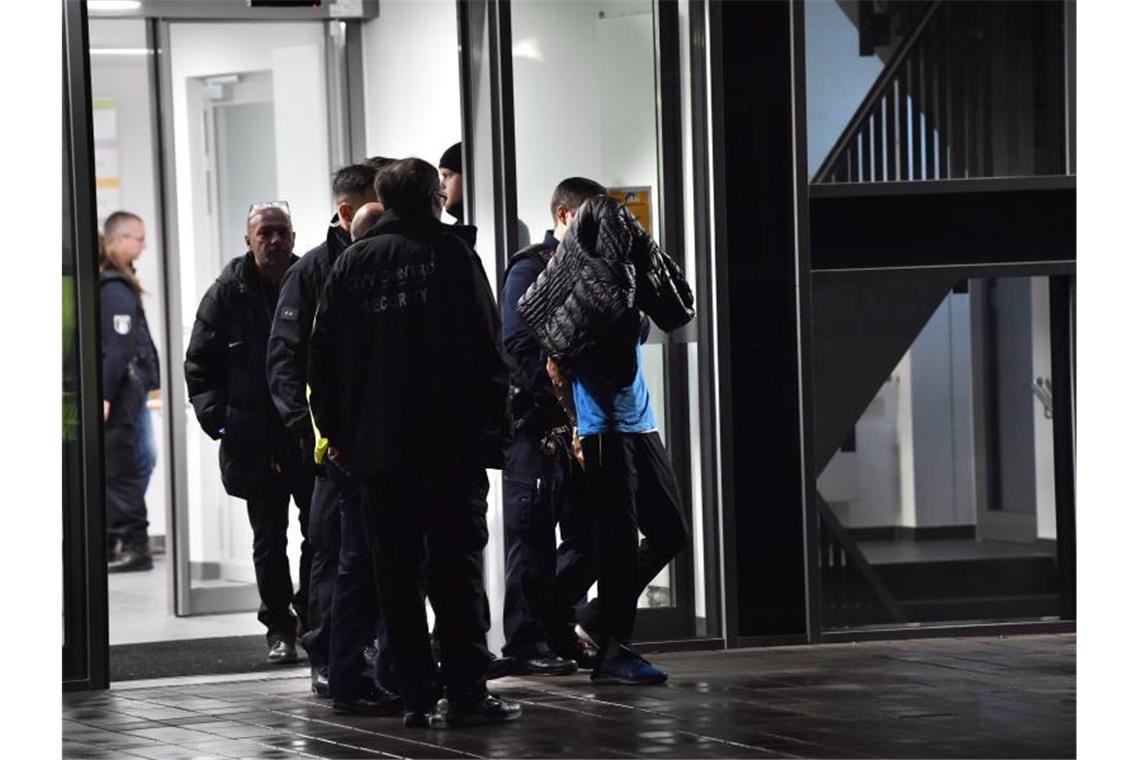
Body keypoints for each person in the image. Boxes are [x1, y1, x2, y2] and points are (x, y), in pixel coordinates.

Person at [309, 158, 519, 728]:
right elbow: (486, 352)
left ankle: (416, 696)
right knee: (455, 575)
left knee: (394, 578)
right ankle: (468, 694)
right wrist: (489, 435)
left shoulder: (351, 264)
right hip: (448, 450)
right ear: (435, 199)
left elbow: (322, 365)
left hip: (378, 457)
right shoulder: (452, 256)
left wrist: (344, 440)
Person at [519, 192, 692, 686]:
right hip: (601, 427)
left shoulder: (621, 273)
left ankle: (584, 618)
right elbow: (553, 351)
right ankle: (612, 650)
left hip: (637, 419)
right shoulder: (561, 280)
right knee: (615, 543)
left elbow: (674, 308)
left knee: (670, 531)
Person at [266, 163, 386, 698]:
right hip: (332, 449)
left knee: (377, 556)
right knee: (329, 555)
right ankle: (325, 654)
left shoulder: (383, 261)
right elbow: (286, 361)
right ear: (346, 209)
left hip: (379, 444)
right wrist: (308, 431)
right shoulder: (313, 271)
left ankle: (371, 658)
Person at [184, 202, 313, 665]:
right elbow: (199, 366)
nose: (274, 241)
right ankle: (279, 627)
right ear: (249, 240)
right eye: (265, 233)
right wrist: (223, 423)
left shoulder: (311, 280)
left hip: (307, 435)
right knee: (268, 537)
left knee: (319, 533)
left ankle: (314, 621)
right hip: (253, 438)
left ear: (294, 236)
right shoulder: (226, 294)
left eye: (282, 232)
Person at [497, 179, 612, 675]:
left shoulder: (600, 271)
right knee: (532, 536)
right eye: (589, 222)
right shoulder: (530, 268)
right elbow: (519, 347)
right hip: (538, 425)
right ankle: (527, 641)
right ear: (564, 217)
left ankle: (553, 624)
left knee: (591, 536)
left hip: (585, 422)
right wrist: (559, 398)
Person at [99, 211, 160, 573]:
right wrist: (105, 394)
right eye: (137, 238)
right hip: (124, 395)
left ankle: (118, 541)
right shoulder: (116, 289)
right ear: (119, 240)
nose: (142, 244)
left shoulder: (116, 285)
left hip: (127, 393)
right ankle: (133, 545)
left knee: (132, 464)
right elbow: (119, 347)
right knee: (126, 468)